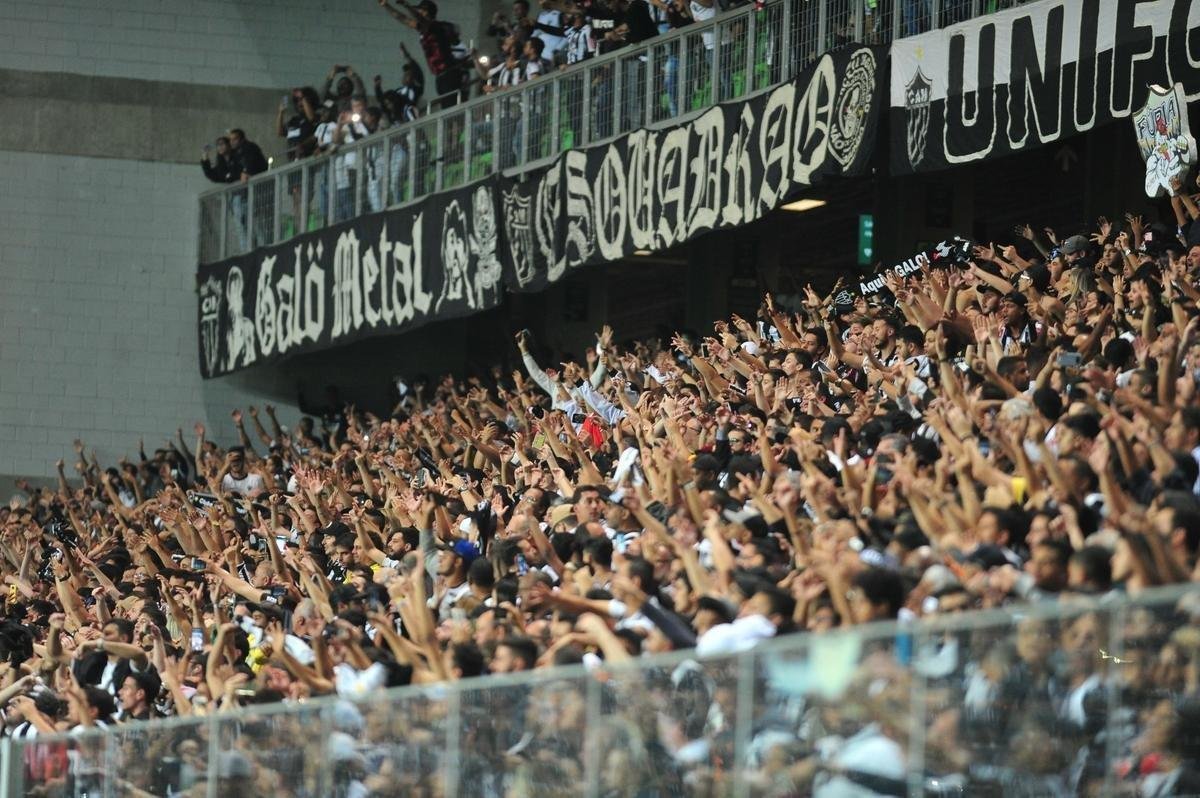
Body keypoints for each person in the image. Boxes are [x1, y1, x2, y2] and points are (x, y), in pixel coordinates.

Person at [378, 0, 468, 108]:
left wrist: (407, 6)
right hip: (440, 75)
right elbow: (402, 18)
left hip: (449, 73)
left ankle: (457, 124)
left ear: (426, 12)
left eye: (420, 10)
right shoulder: (424, 28)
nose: (418, 12)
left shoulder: (436, 26)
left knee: (451, 106)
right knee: (446, 105)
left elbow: (419, 18)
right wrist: (386, 6)